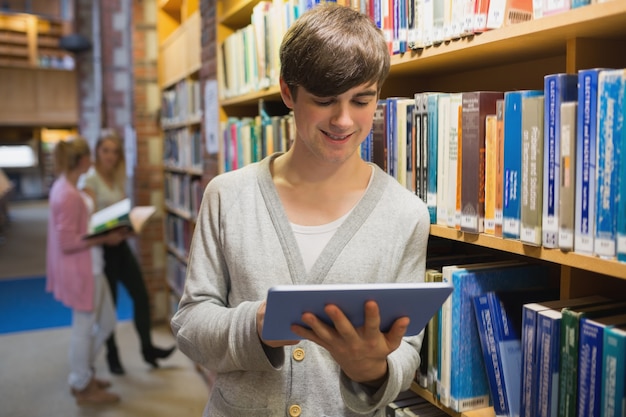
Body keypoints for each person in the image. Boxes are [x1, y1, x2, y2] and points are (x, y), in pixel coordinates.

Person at [171, 4, 431, 416]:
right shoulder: (227, 196)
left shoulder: (407, 214)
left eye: (362, 100)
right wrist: (256, 325)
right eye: (325, 100)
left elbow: (407, 350)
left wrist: (375, 371)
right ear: (288, 93)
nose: (344, 120)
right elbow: (189, 325)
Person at [82, 132, 175, 374]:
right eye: (106, 151)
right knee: (109, 307)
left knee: (141, 296)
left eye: (115, 151)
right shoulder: (90, 182)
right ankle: (113, 357)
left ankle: (147, 348)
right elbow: (89, 220)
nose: (110, 156)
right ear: (97, 152)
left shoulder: (117, 178)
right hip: (102, 250)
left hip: (121, 245)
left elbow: (120, 210)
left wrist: (130, 225)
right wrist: (107, 234)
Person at [46, 136, 127, 405]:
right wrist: (105, 238)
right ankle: (82, 384)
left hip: (93, 266)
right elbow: (68, 242)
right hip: (83, 270)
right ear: (82, 161)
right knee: (84, 327)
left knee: (106, 322)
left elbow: (77, 230)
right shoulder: (67, 194)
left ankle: (83, 375)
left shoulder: (68, 187)